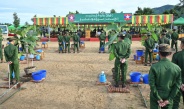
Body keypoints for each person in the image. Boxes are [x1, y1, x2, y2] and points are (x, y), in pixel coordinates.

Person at [149, 44, 181, 109]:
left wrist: (158, 97)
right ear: (170, 53)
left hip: (156, 95)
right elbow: (177, 85)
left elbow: (152, 84)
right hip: (169, 94)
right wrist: (169, 99)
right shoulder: (177, 68)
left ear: (158, 53)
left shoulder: (154, 67)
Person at [172, 38, 184, 109]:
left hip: (178, 83)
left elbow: (174, 71)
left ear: (182, 45)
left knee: (175, 103)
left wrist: (181, 83)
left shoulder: (177, 55)